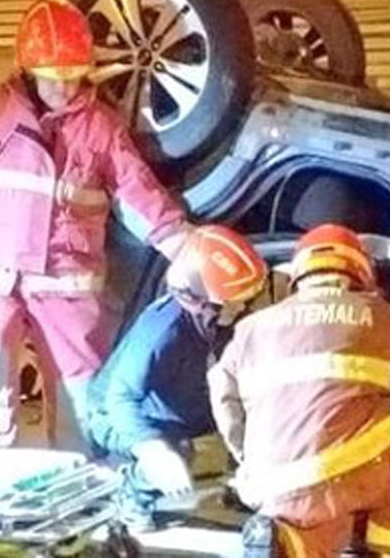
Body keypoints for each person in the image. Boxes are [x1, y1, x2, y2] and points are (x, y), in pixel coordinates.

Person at [0, 0, 190, 450]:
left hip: (64, 279)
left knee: (79, 379)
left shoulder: (101, 127)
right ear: (28, 70)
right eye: (55, 79)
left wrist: (181, 244)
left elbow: (137, 191)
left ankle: (86, 469)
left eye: (74, 76)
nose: (65, 88)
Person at [209, 223, 390, 557]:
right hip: (343, 474)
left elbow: (223, 394)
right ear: (360, 270)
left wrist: (251, 456)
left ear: (299, 275)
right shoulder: (383, 318)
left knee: (322, 506)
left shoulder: (251, 328)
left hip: (267, 484)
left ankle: (288, 543)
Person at [88, 224, 269, 532]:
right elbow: (119, 398)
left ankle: (242, 488)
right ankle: (131, 493)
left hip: (181, 411)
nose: (243, 307)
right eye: (235, 300)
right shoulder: (162, 330)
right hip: (118, 417)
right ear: (201, 299)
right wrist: (154, 449)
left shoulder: (217, 322)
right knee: (177, 453)